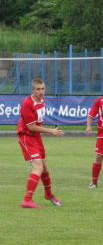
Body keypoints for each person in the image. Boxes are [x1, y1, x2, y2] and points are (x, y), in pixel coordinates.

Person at [18, 78, 64, 208]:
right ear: (32, 90)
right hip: (26, 136)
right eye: (38, 89)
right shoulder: (27, 103)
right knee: (38, 167)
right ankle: (27, 200)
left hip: (36, 137)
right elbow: (31, 127)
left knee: (44, 167)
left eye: (43, 89)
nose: (41, 92)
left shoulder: (42, 101)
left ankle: (48, 194)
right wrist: (50, 131)